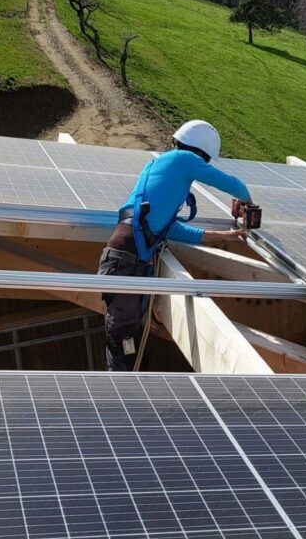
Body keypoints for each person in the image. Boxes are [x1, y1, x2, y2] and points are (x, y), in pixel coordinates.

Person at [98, 120, 254, 371]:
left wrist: (220, 236)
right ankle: (123, 401)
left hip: (126, 257)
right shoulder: (183, 159)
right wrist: (245, 199)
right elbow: (232, 184)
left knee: (129, 339)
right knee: (125, 342)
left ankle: (127, 396)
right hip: (126, 258)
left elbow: (169, 228)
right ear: (201, 153)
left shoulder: (162, 168)